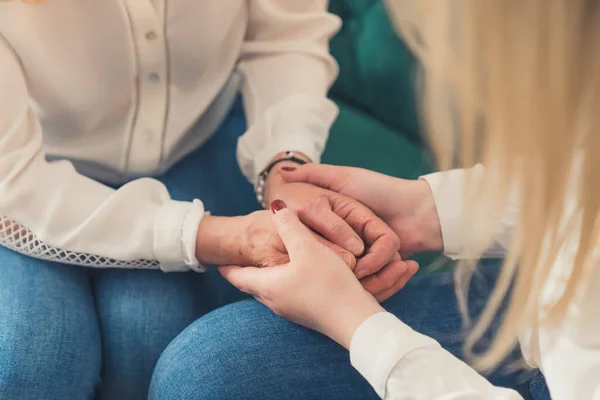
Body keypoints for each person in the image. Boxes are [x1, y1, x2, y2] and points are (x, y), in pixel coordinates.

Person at [149, 0, 598, 399]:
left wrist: (357, 324)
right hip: (554, 314)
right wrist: (425, 209)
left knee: (188, 364)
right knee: (192, 354)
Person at [0, 2, 417, 399]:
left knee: (148, 325)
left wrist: (285, 165)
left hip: (199, 137)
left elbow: (286, 35)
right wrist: (221, 236)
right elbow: (13, 180)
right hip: (25, 165)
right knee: (25, 365)